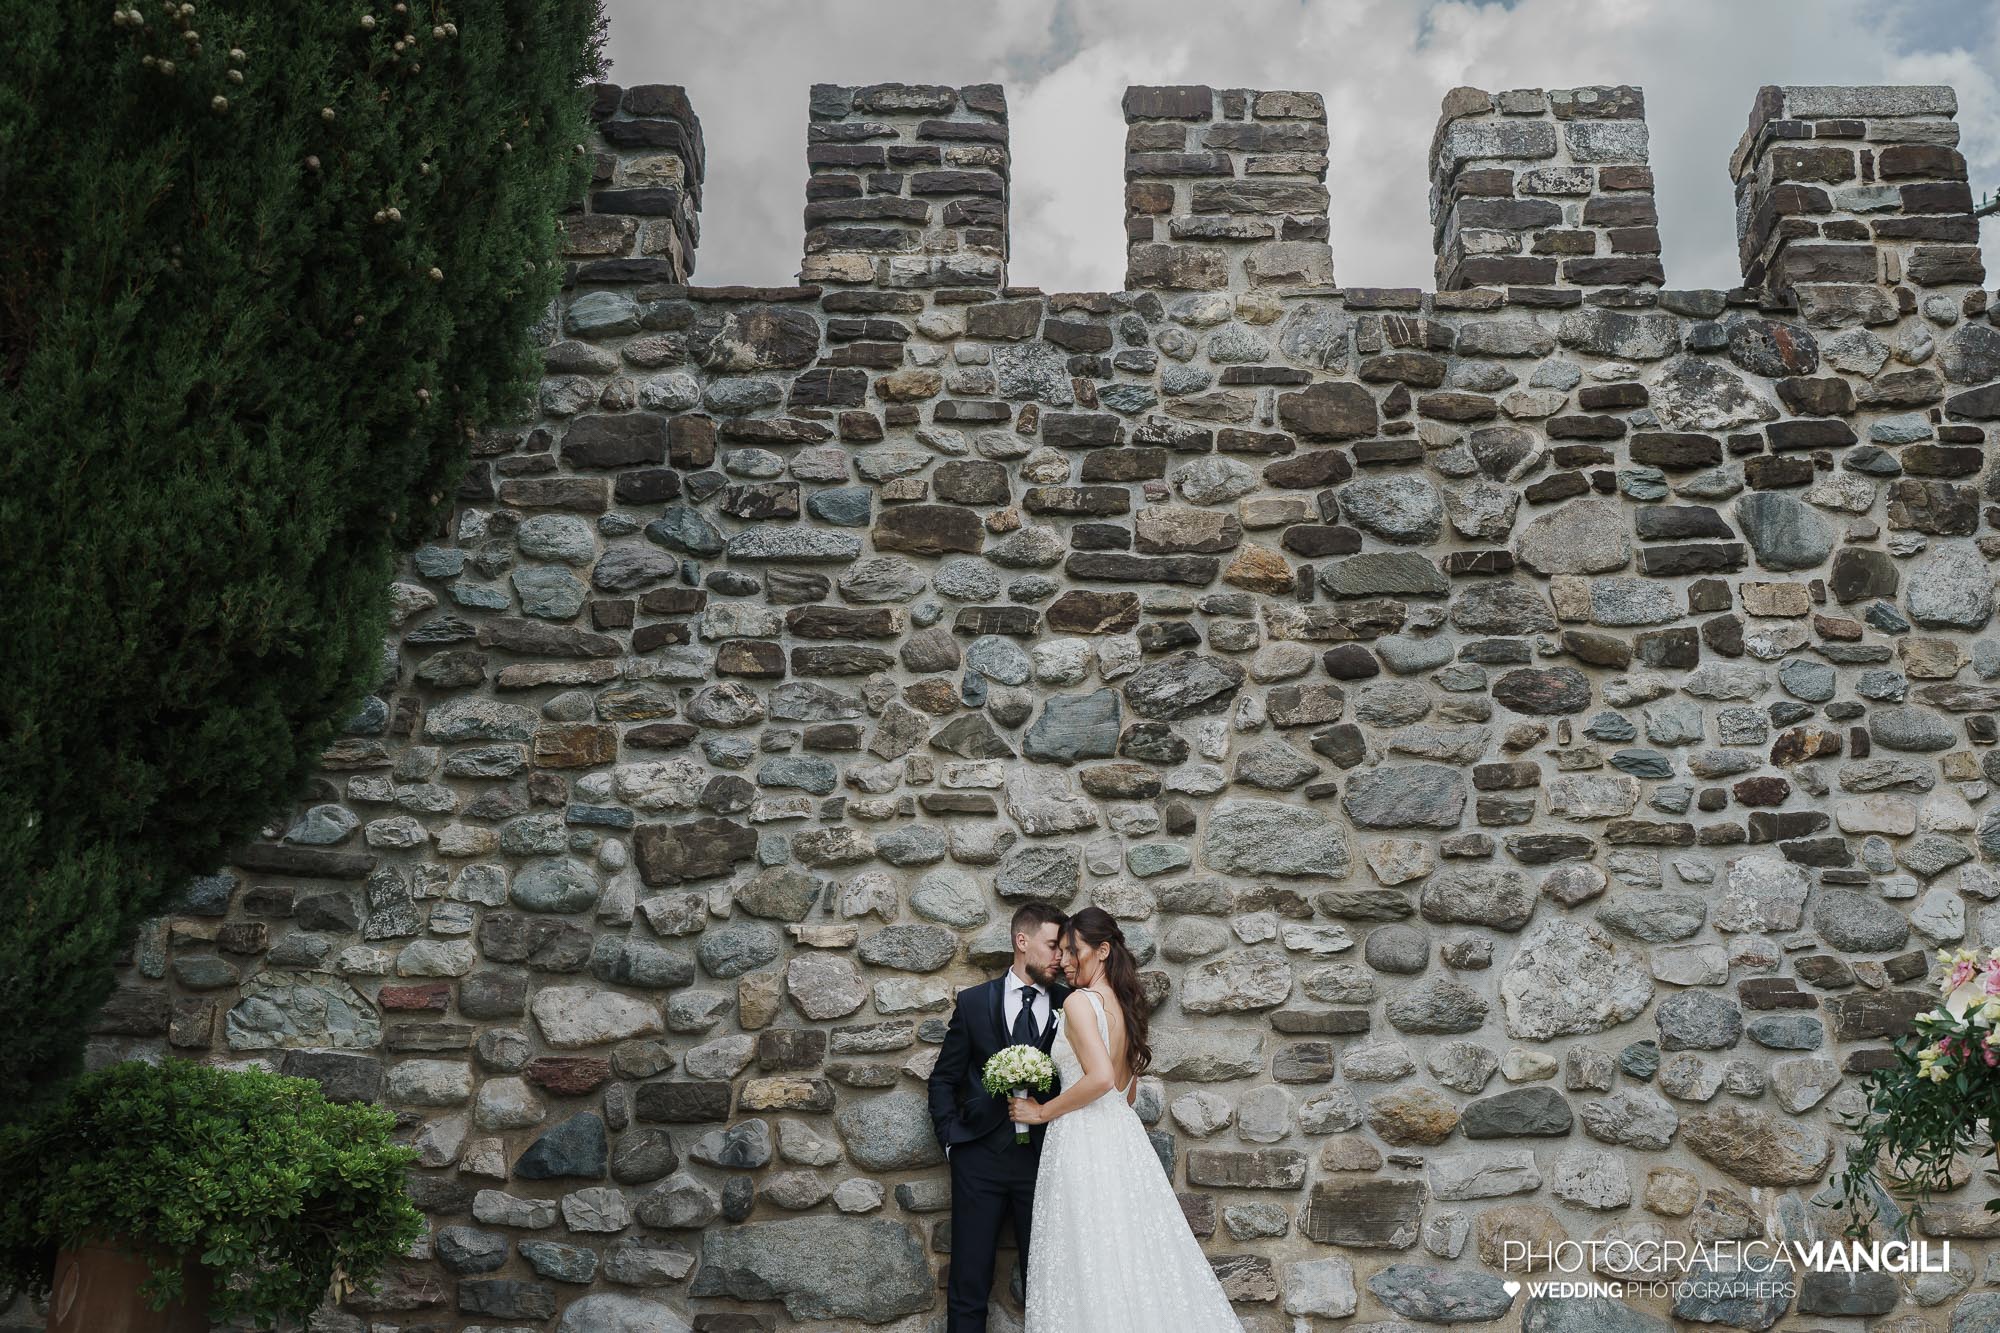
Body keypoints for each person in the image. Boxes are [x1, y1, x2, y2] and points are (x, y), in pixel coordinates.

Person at [1007, 907, 1246, 1333]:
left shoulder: (1079, 1002)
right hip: (1121, 1138)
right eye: (1061, 951)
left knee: (1087, 1255)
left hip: (1081, 1139)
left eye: (1073, 950)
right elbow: (1126, 1093)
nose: (1064, 960)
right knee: (1131, 1254)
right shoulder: (1126, 1007)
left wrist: (1041, 1111)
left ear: (1102, 951)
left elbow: (1100, 1079)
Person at [926, 901, 1072, 1333]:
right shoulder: (974, 1003)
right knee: (968, 1283)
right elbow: (944, 1079)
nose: (1060, 957)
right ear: (1022, 941)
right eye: (1053, 946)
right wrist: (952, 1142)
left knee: (1047, 1283)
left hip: (1043, 1162)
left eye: (1064, 948)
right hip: (979, 1160)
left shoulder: (1071, 1003)